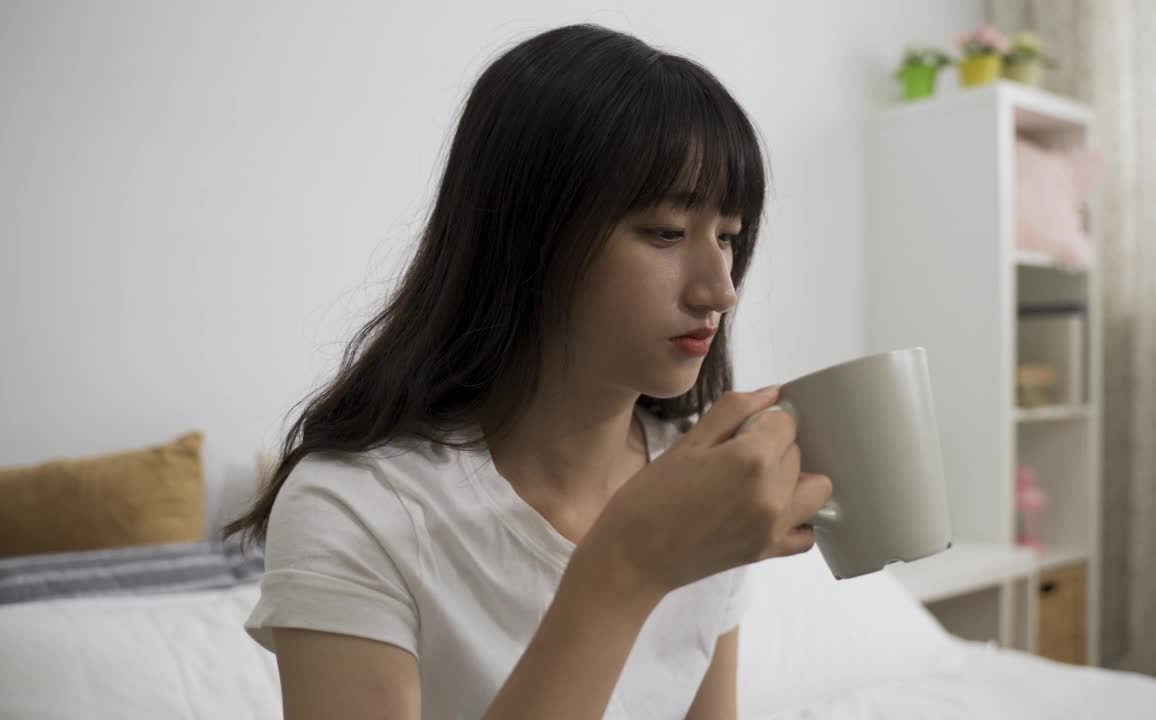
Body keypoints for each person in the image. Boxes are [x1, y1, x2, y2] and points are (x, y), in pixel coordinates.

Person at [223, 22, 831, 720]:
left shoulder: (702, 476)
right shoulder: (357, 508)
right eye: (665, 232)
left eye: (728, 238)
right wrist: (623, 569)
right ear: (526, 234)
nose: (719, 290)